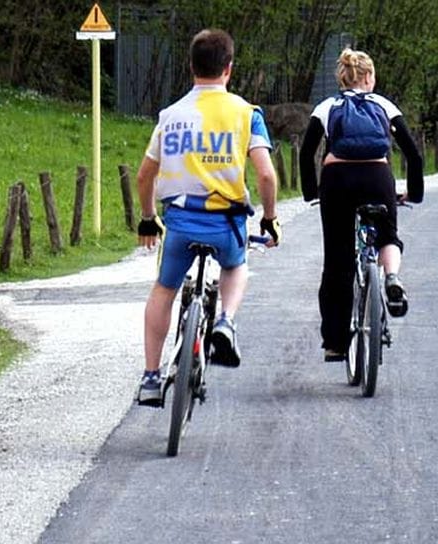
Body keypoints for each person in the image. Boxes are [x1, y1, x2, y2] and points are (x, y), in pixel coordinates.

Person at [135, 29, 281, 405]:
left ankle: (151, 377)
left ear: (190, 67)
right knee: (236, 266)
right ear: (228, 69)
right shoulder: (247, 114)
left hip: (181, 221)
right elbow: (265, 174)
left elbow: (144, 175)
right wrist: (269, 217)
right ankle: (225, 322)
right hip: (225, 222)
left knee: (164, 290)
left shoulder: (170, 116)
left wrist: (149, 218)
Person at [298, 47, 424, 362]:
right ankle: (392, 276)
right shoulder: (383, 104)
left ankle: (336, 344)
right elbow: (413, 153)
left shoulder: (327, 106)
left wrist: (312, 192)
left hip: (337, 180)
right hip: (376, 177)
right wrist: (415, 193)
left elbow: (306, 152)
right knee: (388, 235)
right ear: (369, 77)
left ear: (342, 77)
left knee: (337, 261)